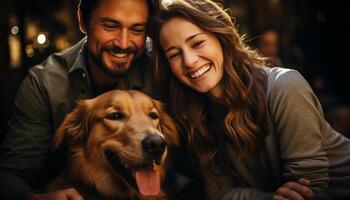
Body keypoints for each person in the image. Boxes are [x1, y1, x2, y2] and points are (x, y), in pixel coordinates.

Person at [152, 0, 350, 199]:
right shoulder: (196, 113)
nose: (189, 61)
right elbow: (219, 192)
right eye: (175, 55)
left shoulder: (284, 87)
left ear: (222, 37)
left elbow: (311, 189)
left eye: (197, 43)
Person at [0, 0, 159, 199]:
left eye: (137, 30)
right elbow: (12, 174)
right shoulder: (43, 83)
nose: (123, 43)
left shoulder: (163, 65)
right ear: (83, 20)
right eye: (110, 26)